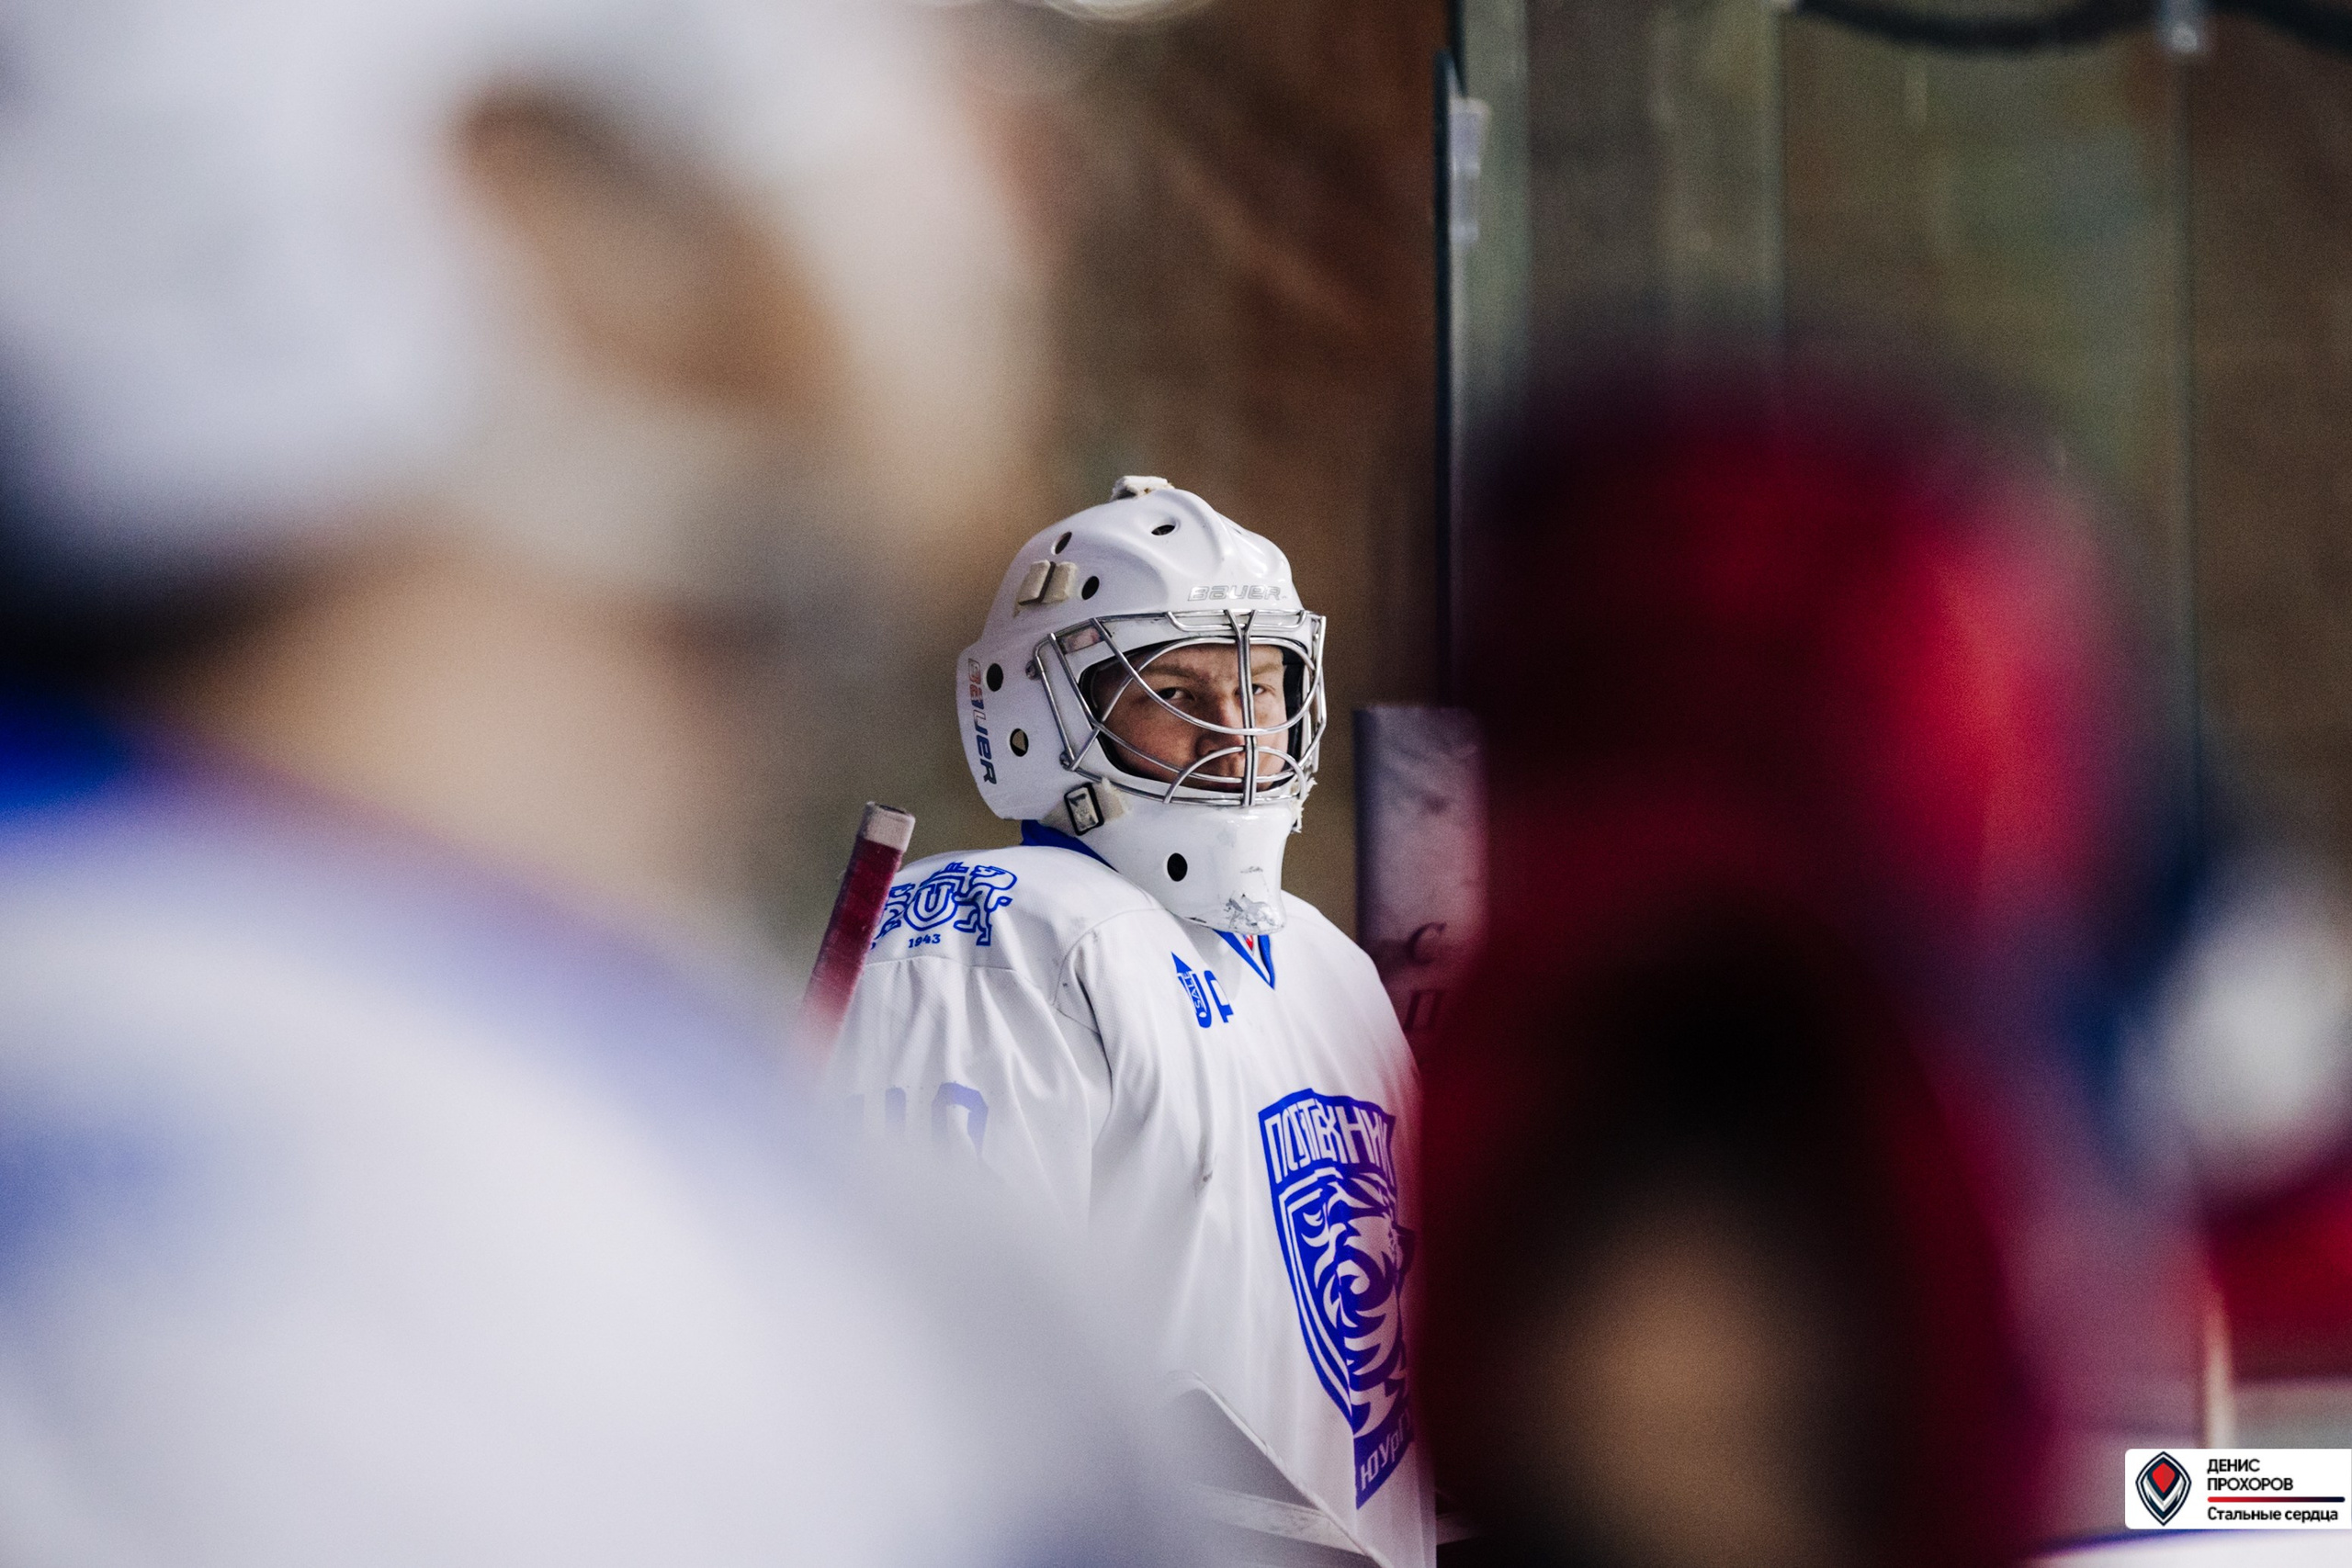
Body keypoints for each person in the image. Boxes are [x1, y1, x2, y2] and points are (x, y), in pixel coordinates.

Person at [0, 2, 1177, 1563]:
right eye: (904, 43)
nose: (1036, 161)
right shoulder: (321, 1277)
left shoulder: (399, 1047)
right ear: (541, 215)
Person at [827, 478, 1435, 1568]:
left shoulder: (1328, 966)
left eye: (1260, 680)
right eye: (1179, 685)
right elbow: (952, 1387)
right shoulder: (1000, 933)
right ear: (1036, 711)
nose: (1239, 726)